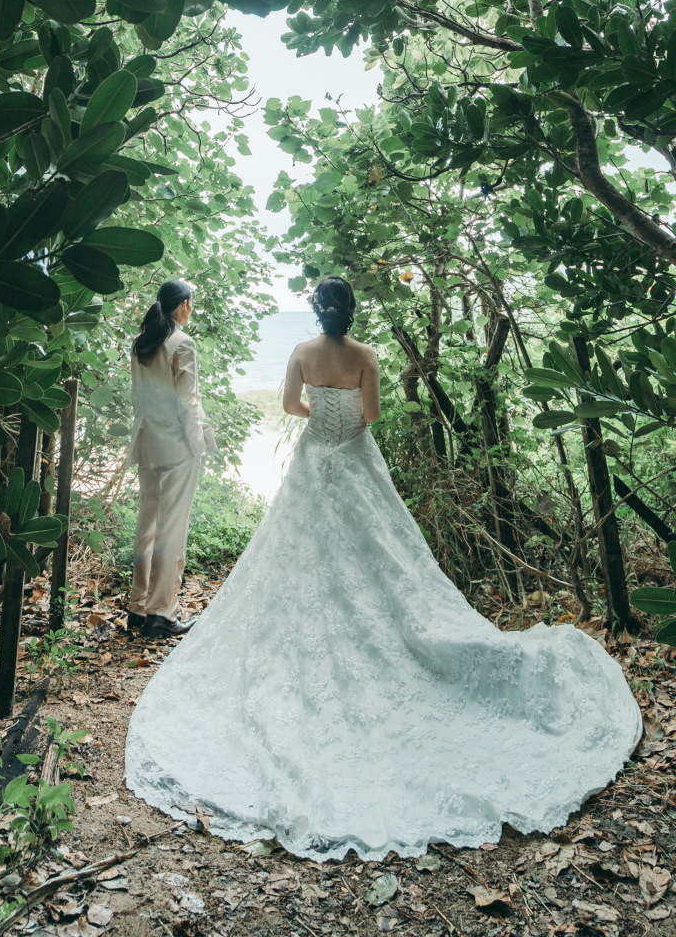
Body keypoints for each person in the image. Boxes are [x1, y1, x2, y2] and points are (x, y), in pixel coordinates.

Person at [125, 276, 642, 861]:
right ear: (352, 312)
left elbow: (290, 406)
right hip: (355, 464)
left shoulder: (298, 353)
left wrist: (317, 409)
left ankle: (171, 609)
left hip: (309, 459)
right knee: (386, 558)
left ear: (318, 313)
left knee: (287, 555)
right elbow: (370, 415)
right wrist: (343, 413)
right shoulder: (366, 356)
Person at [126, 279, 216, 640]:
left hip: (147, 442)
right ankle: (162, 613)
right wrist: (199, 445)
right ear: (182, 305)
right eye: (190, 303)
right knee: (171, 531)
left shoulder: (141, 344)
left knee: (147, 527)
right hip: (177, 447)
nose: (191, 309)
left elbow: (139, 398)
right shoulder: (182, 343)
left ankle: (138, 606)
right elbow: (188, 402)